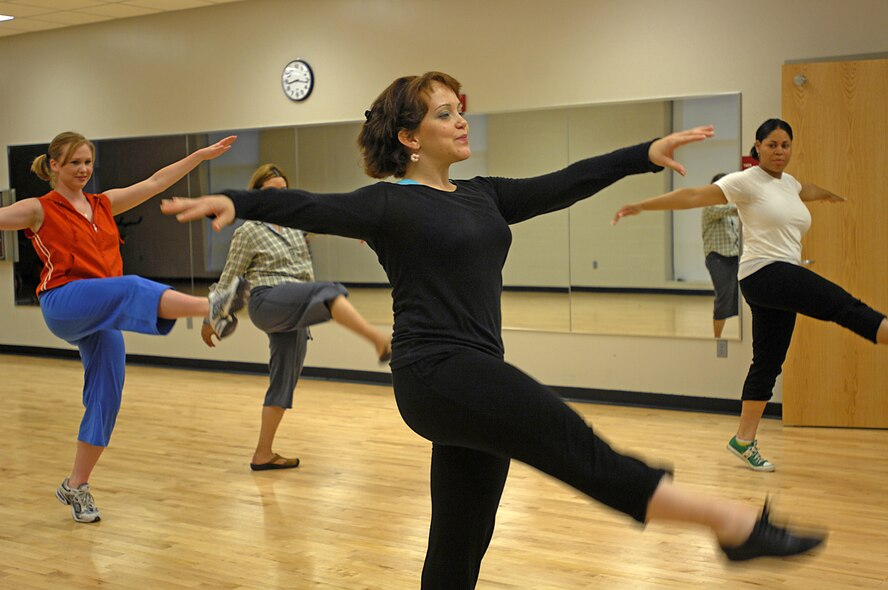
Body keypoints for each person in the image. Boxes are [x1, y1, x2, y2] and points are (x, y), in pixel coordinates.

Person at [162, 75, 825, 587]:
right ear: (412, 138)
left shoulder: (483, 195)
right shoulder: (390, 203)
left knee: (458, 546)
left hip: (469, 378)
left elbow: (563, 183)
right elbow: (312, 205)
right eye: (444, 112)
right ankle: (732, 525)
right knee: (578, 445)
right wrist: (238, 201)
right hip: (435, 373)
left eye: (460, 107)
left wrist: (641, 154)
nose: (460, 119)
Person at [0, 131, 249, 523]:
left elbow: (155, 182)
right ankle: (212, 305)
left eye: (87, 162)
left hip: (103, 310)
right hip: (63, 302)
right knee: (131, 286)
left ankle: (76, 485)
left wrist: (199, 156)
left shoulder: (104, 204)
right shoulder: (38, 208)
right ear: (54, 166)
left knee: (107, 395)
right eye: (74, 163)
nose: (83, 169)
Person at [614, 118, 887, 472]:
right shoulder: (746, 181)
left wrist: (827, 194)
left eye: (785, 145)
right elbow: (695, 195)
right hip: (766, 272)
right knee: (844, 306)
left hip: (772, 279)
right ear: (756, 147)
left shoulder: (789, 183)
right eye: (771, 144)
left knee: (767, 364)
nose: (779, 151)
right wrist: (643, 205)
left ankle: (743, 440)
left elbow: (807, 189)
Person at [203, 163, 392, 471]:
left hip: (295, 309)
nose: (279, 197)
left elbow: (335, 221)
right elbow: (229, 279)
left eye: (283, 191)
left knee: (283, 382)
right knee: (330, 292)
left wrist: (365, 232)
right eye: (270, 192)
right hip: (267, 301)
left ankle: (262, 453)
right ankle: (379, 340)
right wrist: (209, 319)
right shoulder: (248, 231)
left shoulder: (295, 227)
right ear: (256, 196)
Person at [701, 172, 740, 338]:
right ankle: (717, 339)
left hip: (733, 257)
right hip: (717, 258)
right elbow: (733, 210)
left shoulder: (726, 210)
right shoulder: (710, 206)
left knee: (737, 299)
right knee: (723, 298)